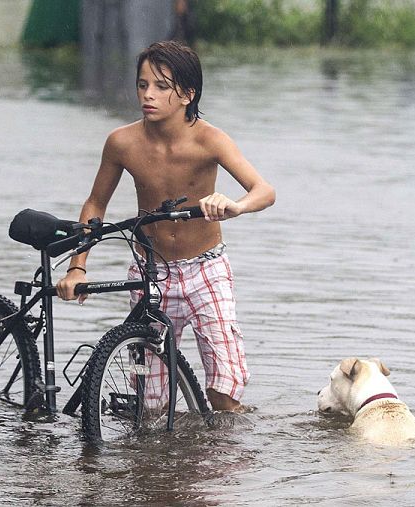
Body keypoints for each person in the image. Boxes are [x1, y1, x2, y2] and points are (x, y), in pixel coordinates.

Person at [56, 40, 275, 413]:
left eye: (161, 86)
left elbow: (264, 191)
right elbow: (96, 205)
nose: (148, 95)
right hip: (150, 272)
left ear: (187, 94)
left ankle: (224, 460)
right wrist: (78, 267)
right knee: (152, 406)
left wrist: (233, 206)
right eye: (143, 85)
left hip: (206, 270)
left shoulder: (211, 140)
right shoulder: (122, 142)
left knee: (223, 394)